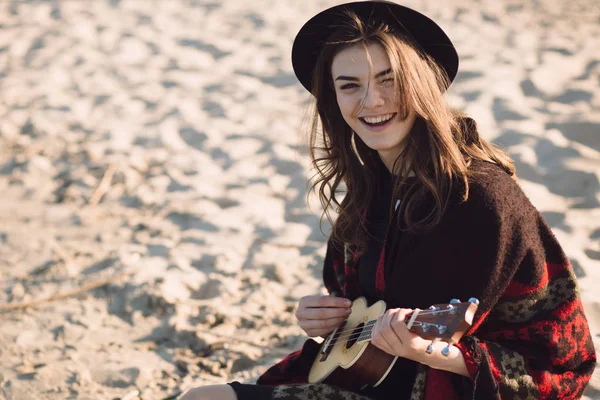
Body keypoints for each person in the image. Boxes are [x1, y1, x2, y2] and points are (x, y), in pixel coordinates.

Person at [180, 1, 596, 399]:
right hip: (373, 379)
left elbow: (559, 365)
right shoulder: (373, 186)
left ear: (422, 83)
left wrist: (429, 351)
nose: (371, 101)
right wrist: (328, 319)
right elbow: (365, 312)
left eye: (389, 79)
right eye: (349, 86)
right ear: (333, 100)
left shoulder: (482, 200)